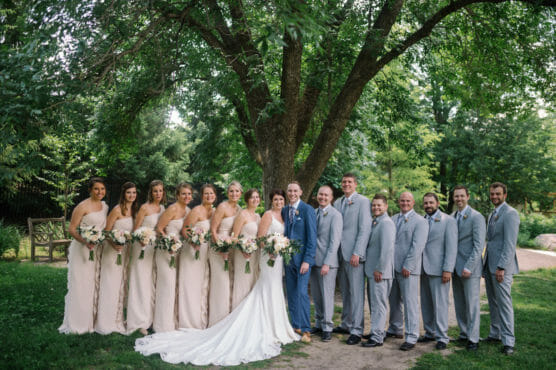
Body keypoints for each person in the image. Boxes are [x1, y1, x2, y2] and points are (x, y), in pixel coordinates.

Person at [134, 188, 299, 366]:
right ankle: (221, 322)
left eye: (258, 197)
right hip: (229, 252)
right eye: (275, 199)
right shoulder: (233, 210)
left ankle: (272, 323)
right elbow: (222, 232)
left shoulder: (256, 215)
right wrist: (226, 246)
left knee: (251, 287)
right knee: (222, 286)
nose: (278, 202)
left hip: (259, 256)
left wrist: (276, 246)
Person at [59, 177, 108, 334]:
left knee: (93, 284)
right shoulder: (82, 206)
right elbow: (72, 229)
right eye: (96, 189)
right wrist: (85, 241)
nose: (100, 192)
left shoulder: (104, 206)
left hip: (97, 249)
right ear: (90, 190)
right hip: (81, 249)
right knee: (80, 284)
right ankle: (77, 323)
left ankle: (90, 321)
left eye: (102, 189)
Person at [332, 173, 372, 345]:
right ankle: (346, 323)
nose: (346, 184)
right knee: (345, 293)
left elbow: (365, 228)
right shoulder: (337, 202)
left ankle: (357, 330)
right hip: (339, 254)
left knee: (356, 294)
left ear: (355, 184)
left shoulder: (363, 202)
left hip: (354, 255)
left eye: (349, 182)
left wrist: (358, 252)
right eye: (344, 182)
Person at [386, 191, 428, 351]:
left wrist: (408, 266)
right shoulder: (393, 219)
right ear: (399, 202)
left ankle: (411, 335)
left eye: (407, 201)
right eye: (402, 200)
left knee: (410, 303)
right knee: (394, 300)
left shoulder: (420, 221)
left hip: (408, 269)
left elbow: (417, 246)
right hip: (392, 267)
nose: (404, 203)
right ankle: (395, 328)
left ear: (413, 203)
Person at [95, 181, 138, 335]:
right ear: (123, 194)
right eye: (129, 193)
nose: (131, 195)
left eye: (134, 192)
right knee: (110, 283)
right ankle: (105, 322)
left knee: (121, 284)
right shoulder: (117, 210)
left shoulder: (134, 210)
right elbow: (106, 231)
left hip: (126, 252)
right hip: (113, 250)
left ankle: (117, 319)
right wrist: (115, 244)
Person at [483, 182, 520, 355]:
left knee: (504, 304)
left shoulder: (511, 213)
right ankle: (495, 333)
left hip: (501, 268)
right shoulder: (493, 213)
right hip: (489, 264)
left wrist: (501, 267)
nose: (494, 197)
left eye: (498, 194)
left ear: (505, 195)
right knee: (493, 302)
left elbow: (510, 244)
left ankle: (508, 342)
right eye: (492, 194)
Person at [418, 193, 457, 350]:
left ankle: (442, 337)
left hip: (439, 269)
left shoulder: (448, 221)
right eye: (426, 203)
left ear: (437, 203)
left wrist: (448, 269)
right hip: (423, 268)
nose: (428, 205)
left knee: (440, 304)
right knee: (426, 303)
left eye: (431, 202)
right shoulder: (422, 220)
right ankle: (430, 332)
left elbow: (451, 247)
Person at [152, 183, 193, 333]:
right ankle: (162, 325)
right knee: (167, 285)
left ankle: (173, 321)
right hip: (166, 251)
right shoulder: (172, 209)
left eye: (189, 194)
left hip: (179, 251)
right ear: (177, 195)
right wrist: (169, 242)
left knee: (175, 286)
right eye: (183, 194)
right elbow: (159, 229)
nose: (186, 197)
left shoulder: (188, 211)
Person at [127, 180, 166, 335]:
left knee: (152, 282)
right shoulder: (144, 207)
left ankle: (150, 318)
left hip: (155, 248)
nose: (158, 194)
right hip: (142, 247)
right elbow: (135, 230)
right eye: (155, 191)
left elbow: (160, 228)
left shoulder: (162, 208)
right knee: (140, 282)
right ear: (151, 192)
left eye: (161, 191)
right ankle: (139, 321)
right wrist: (142, 239)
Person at [282, 182, 317, 343]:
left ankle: (306, 328)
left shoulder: (307, 209)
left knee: (302, 293)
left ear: (301, 192)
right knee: (291, 293)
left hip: (302, 260)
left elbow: (312, 238)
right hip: (288, 260)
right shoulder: (284, 210)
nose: (292, 193)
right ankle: (295, 325)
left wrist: (307, 261)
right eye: (290, 190)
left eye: (295, 190)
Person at [451, 185, 485, 351]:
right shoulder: (452, 216)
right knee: (459, 303)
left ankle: (474, 339)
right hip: (455, 268)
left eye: (461, 196)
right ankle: (464, 334)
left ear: (468, 197)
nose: (459, 199)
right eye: (456, 196)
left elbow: (479, 246)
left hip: (470, 268)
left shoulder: (476, 217)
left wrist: (469, 266)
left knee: (472, 304)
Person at [178, 184, 216, 329]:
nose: (209, 196)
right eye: (206, 194)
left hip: (206, 252)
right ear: (202, 196)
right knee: (191, 285)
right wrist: (193, 242)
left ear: (215, 196)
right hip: (192, 251)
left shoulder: (214, 211)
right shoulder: (196, 210)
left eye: (211, 194)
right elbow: (185, 229)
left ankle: (201, 319)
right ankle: (188, 321)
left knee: (202, 285)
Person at [361, 194, 395, 348]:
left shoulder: (387, 223)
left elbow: (387, 249)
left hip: (380, 272)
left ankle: (377, 337)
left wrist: (379, 269)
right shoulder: (376, 222)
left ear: (386, 206)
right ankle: (376, 330)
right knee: (374, 304)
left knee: (379, 304)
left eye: (379, 205)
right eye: (374, 205)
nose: (376, 207)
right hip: (373, 271)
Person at [309, 185, 342, 342]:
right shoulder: (314, 213)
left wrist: (327, 263)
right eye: (320, 194)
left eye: (326, 195)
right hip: (313, 261)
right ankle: (319, 323)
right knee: (316, 295)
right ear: (317, 196)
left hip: (327, 263)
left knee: (327, 296)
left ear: (331, 197)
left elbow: (334, 242)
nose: (323, 197)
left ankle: (328, 327)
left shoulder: (335, 215)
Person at [209, 181, 242, 326]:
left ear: (241, 193)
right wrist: (222, 249)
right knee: (221, 284)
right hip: (218, 249)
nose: (234, 194)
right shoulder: (222, 207)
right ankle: (217, 321)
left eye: (237, 191)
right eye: (231, 191)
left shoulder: (240, 209)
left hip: (232, 248)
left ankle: (229, 319)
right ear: (227, 193)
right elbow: (213, 230)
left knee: (230, 283)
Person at [231, 188, 261, 309]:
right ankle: (238, 312)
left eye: (257, 197)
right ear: (247, 200)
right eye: (252, 197)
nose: (255, 199)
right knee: (243, 282)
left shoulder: (258, 216)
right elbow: (234, 237)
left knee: (253, 282)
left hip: (254, 254)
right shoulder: (242, 215)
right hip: (242, 254)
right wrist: (243, 248)